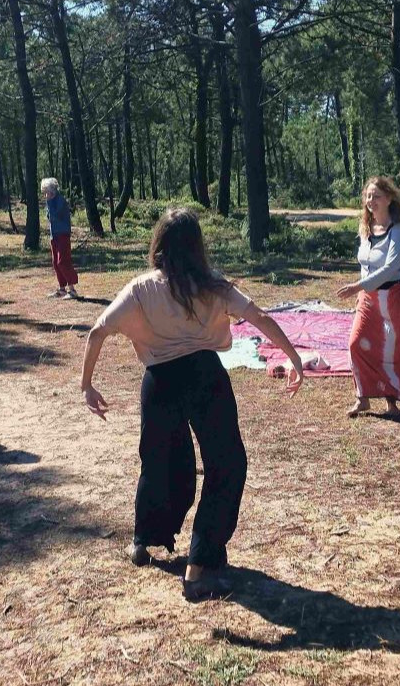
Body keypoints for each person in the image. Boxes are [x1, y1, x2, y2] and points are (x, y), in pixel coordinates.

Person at [81, 208, 304, 602]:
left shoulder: (141, 288)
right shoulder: (213, 286)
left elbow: (98, 330)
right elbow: (260, 316)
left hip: (160, 382)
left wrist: (87, 385)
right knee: (226, 464)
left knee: (159, 460)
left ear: (159, 245)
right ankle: (199, 565)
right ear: (197, 247)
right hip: (204, 377)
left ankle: (142, 541)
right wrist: (294, 358)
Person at [336, 177, 400, 418]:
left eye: (376, 196)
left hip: (394, 299)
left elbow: (391, 267)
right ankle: (362, 398)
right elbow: (365, 264)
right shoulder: (366, 228)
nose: (371, 201)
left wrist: (357, 286)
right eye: (368, 196)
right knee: (355, 344)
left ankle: (391, 402)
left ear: (389, 199)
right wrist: (362, 291)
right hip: (369, 299)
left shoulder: (398, 230)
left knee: (391, 351)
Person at [41, 178, 79, 299]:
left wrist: (49, 203)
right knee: (55, 263)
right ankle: (62, 289)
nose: (45, 195)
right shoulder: (51, 201)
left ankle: (72, 290)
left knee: (63, 261)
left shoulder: (60, 201)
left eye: (46, 191)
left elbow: (55, 216)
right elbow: (48, 217)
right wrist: (49, 203)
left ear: (52, 190)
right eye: (44, 192)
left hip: (62, 234)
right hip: (54, 235)